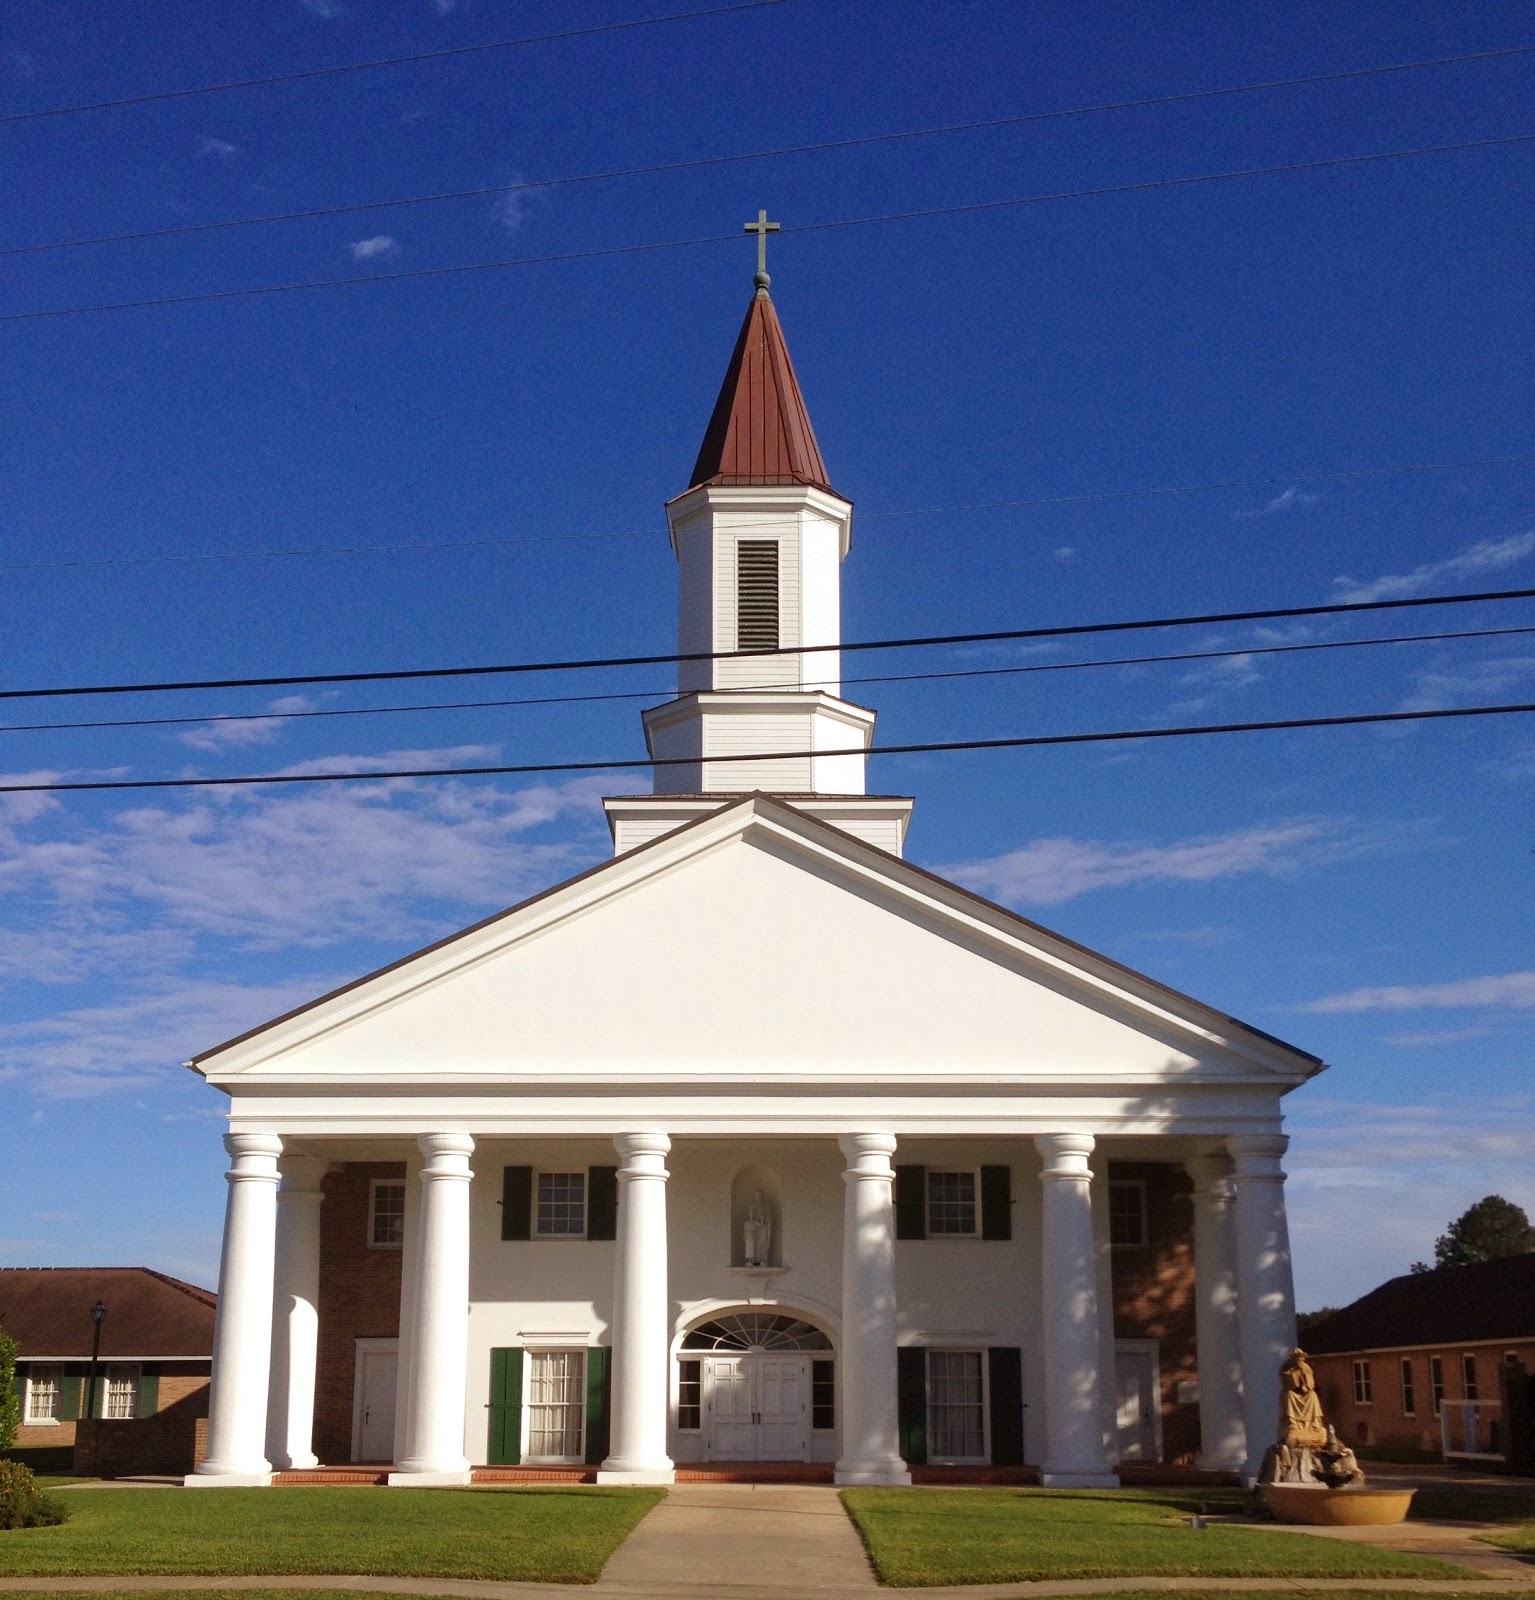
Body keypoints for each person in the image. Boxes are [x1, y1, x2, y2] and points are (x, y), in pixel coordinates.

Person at [1278, 1347, 1327, 1450]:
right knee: (1289, 1396)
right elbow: (1285, 1384)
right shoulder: (1286, 1367)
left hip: (1304, 1393)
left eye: (1301, 1358)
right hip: (1292, 1393)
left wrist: (1305, 1379)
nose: (1299, 1360)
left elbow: (1311, 1385)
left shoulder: (1306, 1368)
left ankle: (1314, 1424)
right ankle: (1293, 1424)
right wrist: (1293, 1377)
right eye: (1297, 1358)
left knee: (1313, 1396)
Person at [743, 1189, 772, 1265]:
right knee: (752, 1244)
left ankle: (761, 1258)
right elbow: (748, 1217)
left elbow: (770, 1216)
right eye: (757, 1195)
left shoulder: (766, 1205)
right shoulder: (751, 1205)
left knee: (762, 1242)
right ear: (755, 1196)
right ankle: (753, 1258)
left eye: (760, 1195)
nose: (758, 1196)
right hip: (753, 1229)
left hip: (763, 1227)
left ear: (762, 1196)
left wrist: (764, 1219)